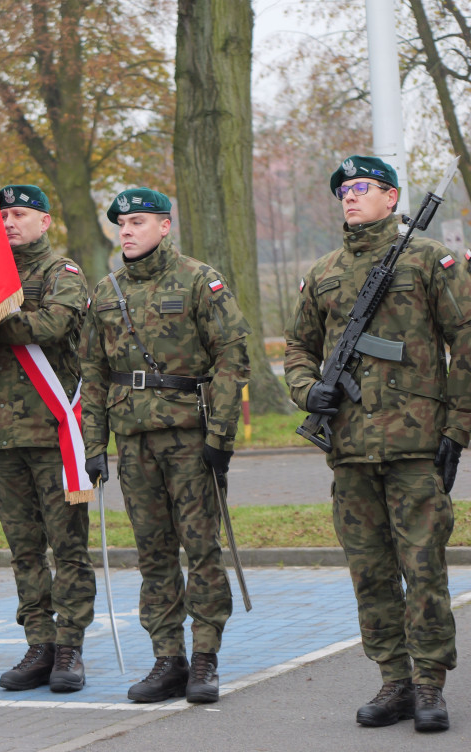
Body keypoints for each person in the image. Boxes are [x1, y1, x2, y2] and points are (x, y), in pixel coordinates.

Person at [284, 156, 471, 733]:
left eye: (361, 187)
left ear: (392, 197)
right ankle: (393, 680)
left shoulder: (428, 259)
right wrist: (308, 390)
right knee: (370, 572)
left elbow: (465, 338)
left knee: (424, 569)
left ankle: (429, 685)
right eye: (342, 189)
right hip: (351, 448)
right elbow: (297, 348)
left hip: (416, 446)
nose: (348, 196)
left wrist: (457, 428)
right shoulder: (323, 271)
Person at [79, 187, 250, 704]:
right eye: (121, 223)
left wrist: (220, 436)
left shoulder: (200, 280)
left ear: (165, 226)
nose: (126, 230)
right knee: (153, 554)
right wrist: (93, 444)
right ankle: (167, 658)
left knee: (200, 549)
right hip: (132, 443)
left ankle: (204, 658)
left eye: (138, 222)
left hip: (189, 438)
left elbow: (231, 358)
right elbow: (92, 373)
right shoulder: (105, 293)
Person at [0, 184, 97, 693]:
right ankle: (40, 645)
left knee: (68, 548)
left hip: (55, 435)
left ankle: (70, 648)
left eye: (19, 214)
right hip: (5, 441)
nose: (9, 222)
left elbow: (52, 325)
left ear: (45, 221)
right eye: (2, 215)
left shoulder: (63, 273)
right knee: (25, 551)